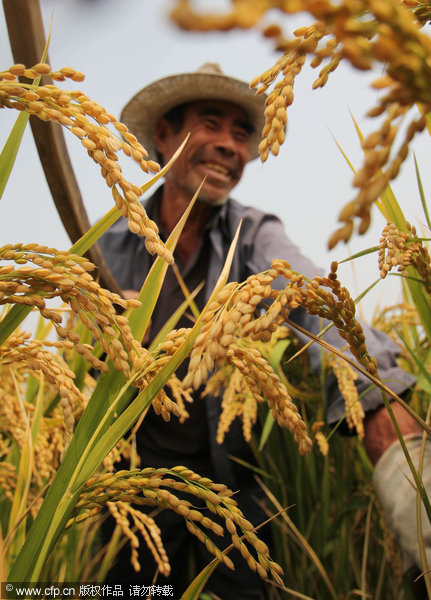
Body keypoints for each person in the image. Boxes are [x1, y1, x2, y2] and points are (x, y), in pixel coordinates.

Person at [98, 63, 427, 598]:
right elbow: (82, 355)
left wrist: (373, 392)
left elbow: (307, 292)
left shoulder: (252, 234)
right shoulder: (108, 248)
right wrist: (103, 330)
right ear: (164, 134)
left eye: (242, 133)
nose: (229, 144)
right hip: (133, 476)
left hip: (228, 474)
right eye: (211, 123)